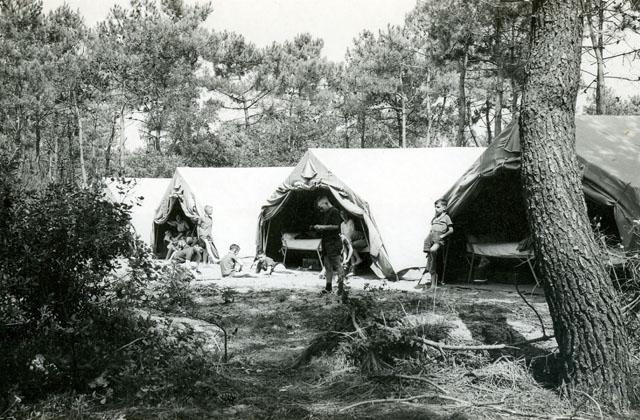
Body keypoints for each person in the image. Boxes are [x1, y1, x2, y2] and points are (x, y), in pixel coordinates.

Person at [311, 196, 345, 296]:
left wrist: (322, 227)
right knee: (327, 265)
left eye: (320, 207)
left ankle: (341, 288)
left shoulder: (334, 211)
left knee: (337, 265)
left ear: (326, 203)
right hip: (326, 242)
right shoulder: (326, 213)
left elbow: (336, 226)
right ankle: (328, 287)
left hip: (333, 243)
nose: (320, 209)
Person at [422, 199, 453, 288]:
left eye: (438, 207)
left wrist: (443, 236)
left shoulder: (446, 217)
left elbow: (451, 230)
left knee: (432, 251)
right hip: (431, 235)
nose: (436, 209)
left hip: (438, 237)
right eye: (435, 207)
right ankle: (430, 258)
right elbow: (432, 227)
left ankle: (431, 261)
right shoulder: (435, 218)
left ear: (444, 208)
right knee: (427, 246)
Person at [340, 210, 365, 277]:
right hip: (348, 240)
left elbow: (352, 232)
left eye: (344, 214)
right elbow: (342, 233)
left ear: (346, 215)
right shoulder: (342, 224)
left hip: (353, 238)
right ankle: (351, 270)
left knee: (350, 247)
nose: (343, 216)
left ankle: (352, 269)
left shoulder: (350, 221)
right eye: (341, 215)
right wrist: (345, 259)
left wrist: (347, 259)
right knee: (347, 248)